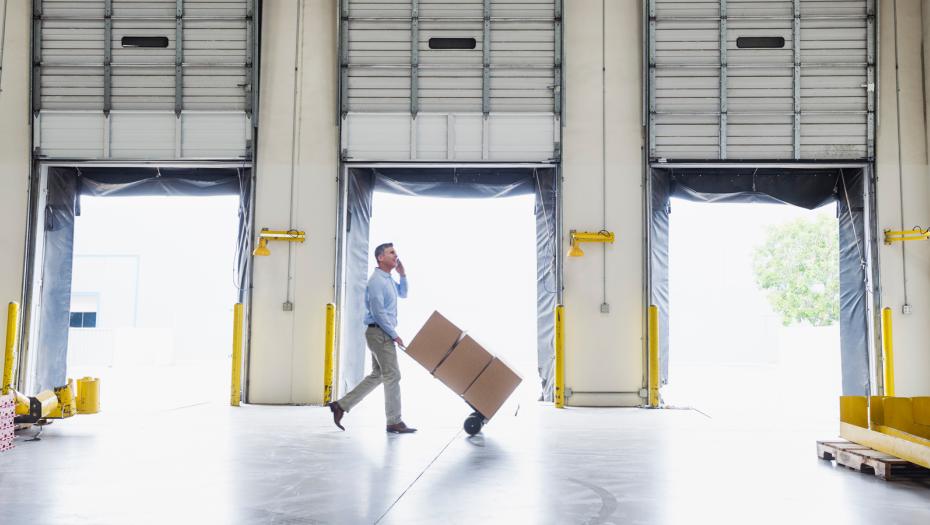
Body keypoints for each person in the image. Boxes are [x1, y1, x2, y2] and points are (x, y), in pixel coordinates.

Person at [328, 242, 416, 434]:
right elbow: (378, 312)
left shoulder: (388, 279)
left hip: (381, 332)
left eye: (396, 253)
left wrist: (403, 274)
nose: (395, 256)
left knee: (378, 375)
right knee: (393, 375)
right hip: (380, 333)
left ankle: (340, 406)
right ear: (380, 258)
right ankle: (394, 421)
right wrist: (394, 334)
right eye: (391, 253)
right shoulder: (376, 281)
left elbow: (404, 293)